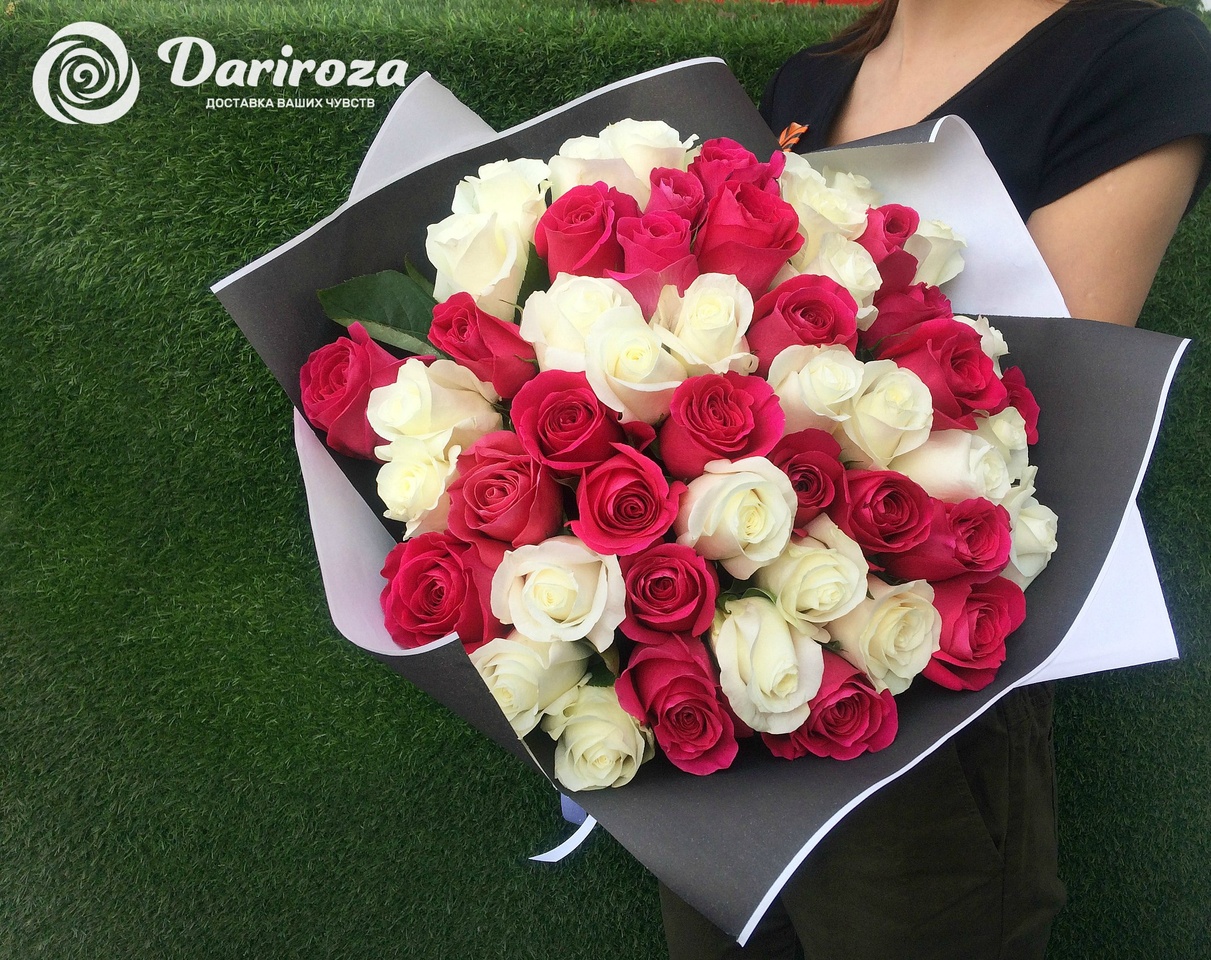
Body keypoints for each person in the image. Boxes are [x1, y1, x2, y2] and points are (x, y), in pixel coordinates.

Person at [659, 1, 1211, 957]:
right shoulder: (811, 78)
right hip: (731, 664)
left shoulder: (1132, 55)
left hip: (926, 684)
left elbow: (1044, 414)